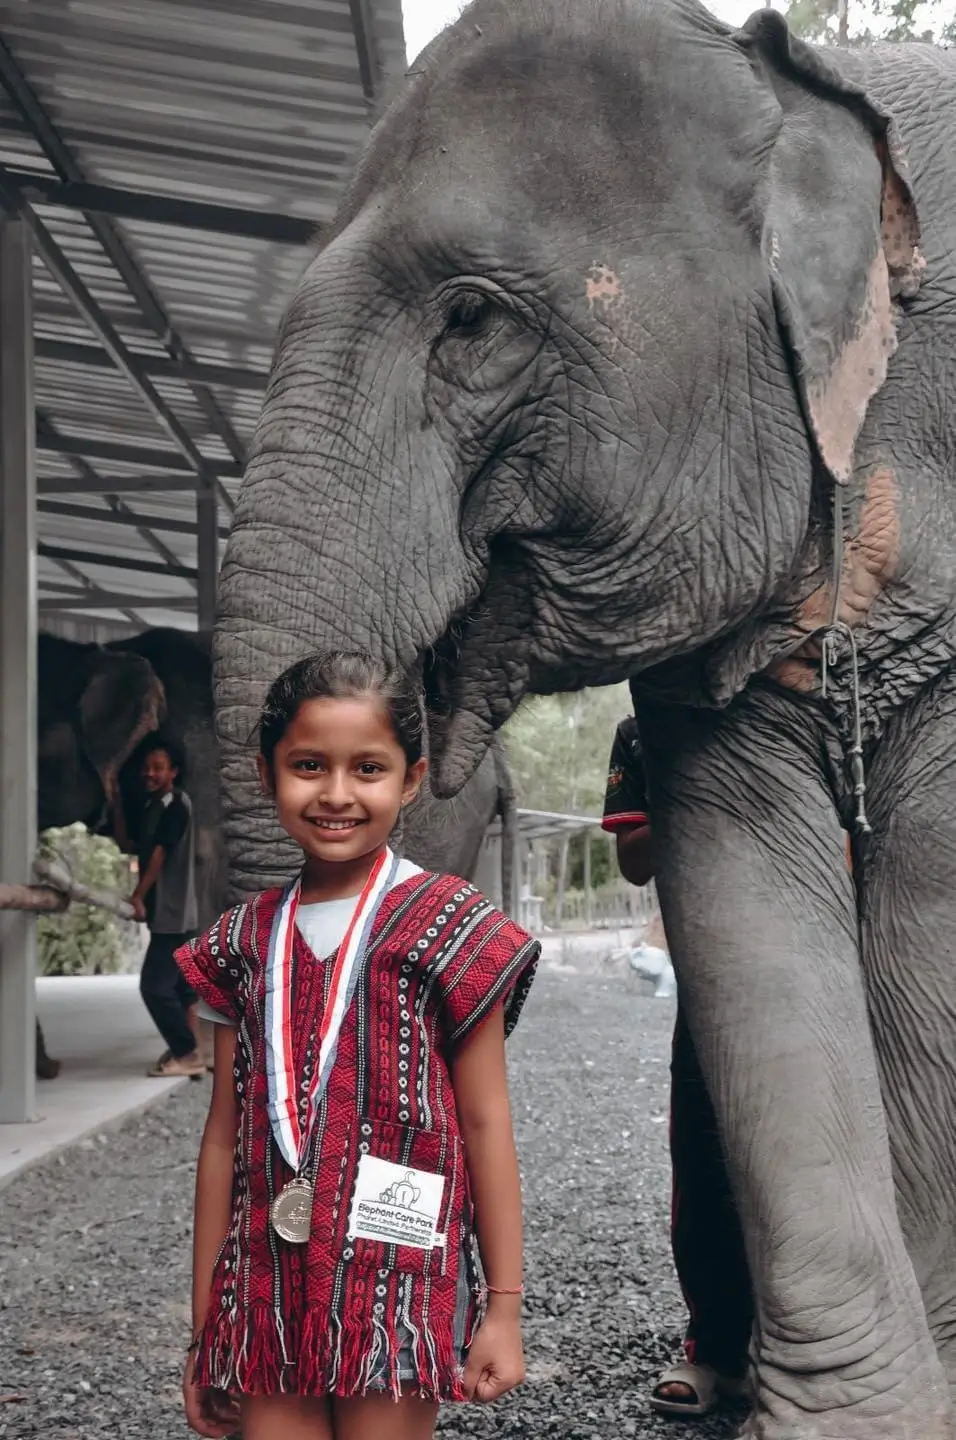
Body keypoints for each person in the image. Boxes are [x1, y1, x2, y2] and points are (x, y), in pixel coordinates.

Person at [175, 651, 539, 1440]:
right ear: (268, 775)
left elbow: (485, 1120)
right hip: (267, 1287)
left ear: (410, 779)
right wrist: (207, 1325)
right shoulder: (241, 941)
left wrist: (503, 1309)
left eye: (367, 768)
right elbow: (221, 1142)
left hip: (398, 1283)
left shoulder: (449, 926)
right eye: (308, 765)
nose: (336, 793)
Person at [602, 714, 753, 1418]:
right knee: (705, 1160)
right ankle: (715, 1352)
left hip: (832, 968)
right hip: (716, 970)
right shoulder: (646, 732)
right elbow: (634, 859)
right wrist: (705, 793)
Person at [129, 738, 202, 1078]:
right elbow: (130, 844)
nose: (150, 773)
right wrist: (116, 803)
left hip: (173, 914)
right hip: (172, 912)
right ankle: (191, 1050)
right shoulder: (153, 805)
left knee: (154, 987)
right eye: (147, 767)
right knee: (181, 987)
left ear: (173, 772)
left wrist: (139, 895)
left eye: (158, 767)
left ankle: (187, 1054)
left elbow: (159, 854)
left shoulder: (176, 804)